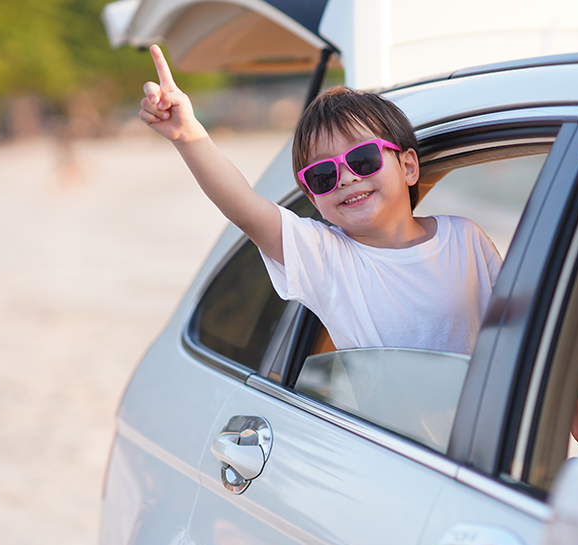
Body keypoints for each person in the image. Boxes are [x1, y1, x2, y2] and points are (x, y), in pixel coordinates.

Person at [139, 46, 501, 354]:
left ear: (408, 166)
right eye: (323, 176)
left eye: (363, 159)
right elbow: (245, 208)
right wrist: (188, 135)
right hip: (386, 436)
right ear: (313, 197)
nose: (346, 177)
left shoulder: (465, 239)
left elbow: (515, 333)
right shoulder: (328, 259)